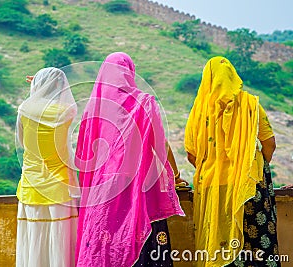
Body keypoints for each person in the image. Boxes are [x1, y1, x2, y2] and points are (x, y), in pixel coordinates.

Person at [74, 52, 185, 267]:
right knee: (143, 239)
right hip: (138, 188)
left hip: (103, 192)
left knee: (103, 245)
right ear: (130, 71)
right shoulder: (143, 102)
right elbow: (160, 145)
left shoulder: (93, 108)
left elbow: (85, 156)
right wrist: (176, 176)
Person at [184, 56, 280, 266]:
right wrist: (254, 164)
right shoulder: (250, 104)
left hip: (213, 186)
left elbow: (191, 154)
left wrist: (215, 167)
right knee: (256, 240)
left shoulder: (199, 112)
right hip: (250, 184)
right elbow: (269, 143)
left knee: (218, 244)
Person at [15, 67, 80, 267]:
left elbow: (22, 141)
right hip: (59, 186)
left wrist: (39, 84)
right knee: (60, 241)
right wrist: (49, 83)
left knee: (34, 238)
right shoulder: (66, 112)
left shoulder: (24, 110)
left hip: (31, 185)